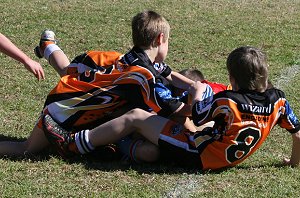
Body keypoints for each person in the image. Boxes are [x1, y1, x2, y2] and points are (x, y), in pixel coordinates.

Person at [43, 46, 300, 170]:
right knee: (150, 143)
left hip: (198, 153)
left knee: (136, 117)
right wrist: (293, 162)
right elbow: (297, 132)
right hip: (222, 155)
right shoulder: (279, 101)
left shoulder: (228, 100)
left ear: (232, 78)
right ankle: (116, 144)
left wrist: (197, 94)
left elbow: (194, 115)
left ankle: (73, 143)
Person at [0, 10, 204, 162]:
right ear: (160, 39)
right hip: (65, 112)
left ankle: (48, 47)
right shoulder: (143, 77)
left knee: (67, 71)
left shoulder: (135, 58)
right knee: (26, 149)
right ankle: (74, 142)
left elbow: (167, 72)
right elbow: (173, 110)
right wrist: (198, 104)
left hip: (68, 94)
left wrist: (195, 84)